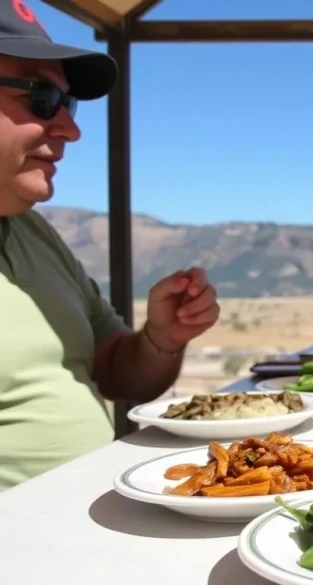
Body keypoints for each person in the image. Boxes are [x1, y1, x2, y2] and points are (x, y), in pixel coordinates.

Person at [0, 0, 221, 490]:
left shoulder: (33, 232)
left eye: (68, 103)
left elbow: (117, 375)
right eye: (41, 97)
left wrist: (162, 339)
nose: (70, 128)